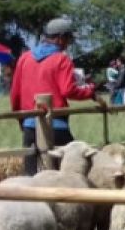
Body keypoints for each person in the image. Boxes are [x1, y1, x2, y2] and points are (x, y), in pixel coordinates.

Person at [11, 17, 96, 174]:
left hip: (30, 125)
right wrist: (90, 91)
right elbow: (68, 90)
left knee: (30, 175)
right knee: (72, 172)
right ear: (60, 38)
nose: (69, 43)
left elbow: (15, 93)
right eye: (68, 38)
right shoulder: (62, 59)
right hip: (56, 125)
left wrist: (21, 120)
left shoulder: (24, 58)